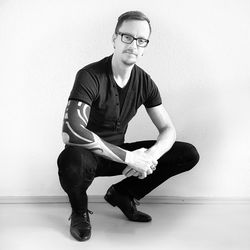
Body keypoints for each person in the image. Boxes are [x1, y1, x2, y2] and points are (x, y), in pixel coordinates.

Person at [57, 10, 199, 241]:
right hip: (88, 156)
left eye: (141, 40)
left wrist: (150, 156)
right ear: (114, 39)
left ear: (145, 46)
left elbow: (168, 129)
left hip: (119, 155)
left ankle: (123, 194)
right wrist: (130, 158)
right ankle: (80, 212)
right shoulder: (89, 75)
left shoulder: (145, 81)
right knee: (71, 159)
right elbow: (71, 131)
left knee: (187, 153)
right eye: (127, 37)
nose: (134, 44)